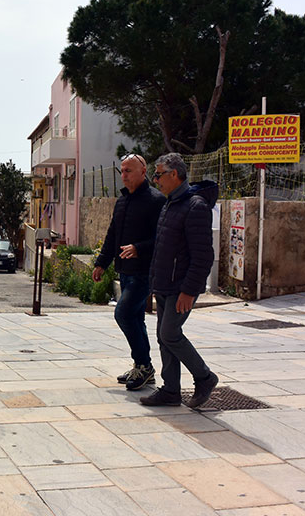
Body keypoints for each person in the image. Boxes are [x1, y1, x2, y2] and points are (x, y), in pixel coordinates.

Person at [140, 153, 219, 408]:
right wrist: (154, 283)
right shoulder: (170, 204)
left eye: (159, 174)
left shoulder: (195, 206)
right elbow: (164, 247)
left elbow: (204, 256)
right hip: (164, 285)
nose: (155, 180)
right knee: (164, 338)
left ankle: (204, 377)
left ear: (174, 174)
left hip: (180, 287)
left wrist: (189, 291)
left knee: (170, 333)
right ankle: (171, 391)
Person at [93, 154, 166, 390]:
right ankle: (142, 368)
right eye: (122, 171)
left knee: (123, 314)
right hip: (124, 271)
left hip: (144, 272)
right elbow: (113, 234)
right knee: (136, 318)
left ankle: (144, 365)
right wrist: (101, 262)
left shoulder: (156, 200)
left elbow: (163, 238)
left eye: (129, 171)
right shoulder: (122, 202)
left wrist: (139, 249)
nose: (124, 175)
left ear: (143, 172)